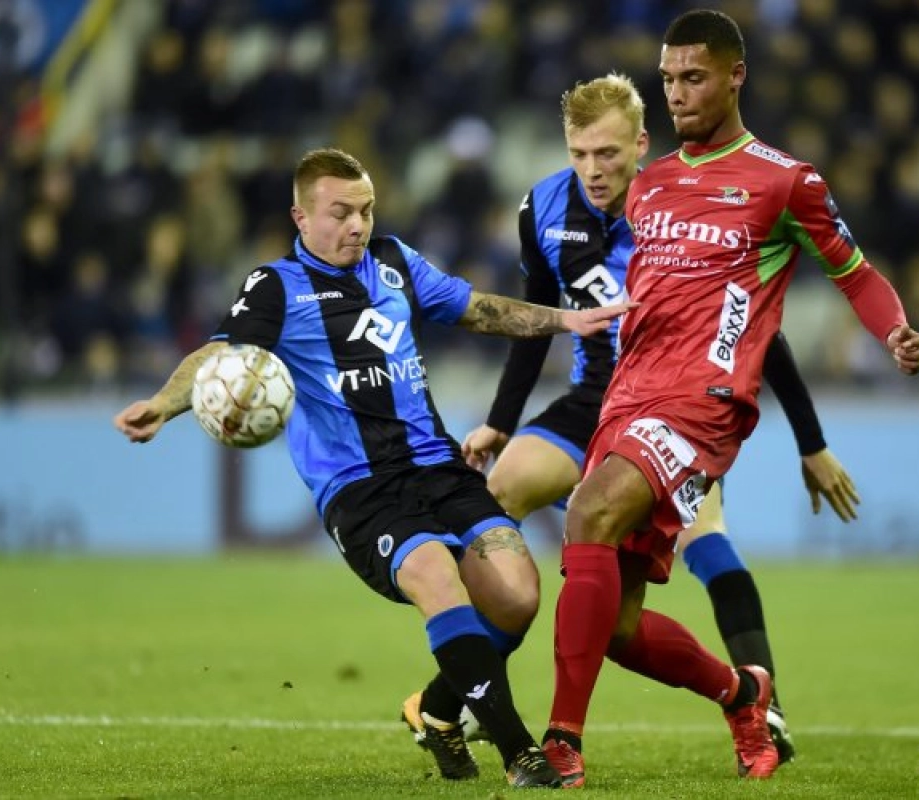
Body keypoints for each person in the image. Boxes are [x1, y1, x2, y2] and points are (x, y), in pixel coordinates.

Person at [112, 147, 634, 790]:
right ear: (301, 217)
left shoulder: (392, 260)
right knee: (438, 578)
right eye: (340, 213)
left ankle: (439, 715)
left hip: (439, 467)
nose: (356, 225)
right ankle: (521, 754)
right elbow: (217, 355)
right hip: (360, 490)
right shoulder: (274, 287)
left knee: (518, 597)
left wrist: (567, 319)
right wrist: (164, 405)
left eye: (365, 210)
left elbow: (477, 308)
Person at [403, 72, 860, 768]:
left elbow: (762, 332)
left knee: (705, 550)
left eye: (608, 154)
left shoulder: (683, 206)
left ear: (640, 145)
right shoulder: (542, 209)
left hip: (676, 406)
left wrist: (812, 442)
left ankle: (765, 703)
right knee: (495, 503)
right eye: (580, 154)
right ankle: (455, 696)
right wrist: (499, 422)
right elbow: (537, 314)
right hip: (592, 402)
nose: (593, 170)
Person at [538, 10, 919, 787]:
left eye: (694, 78)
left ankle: (560, 745)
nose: (678, 94)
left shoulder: (786, 181)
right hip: (628, 397)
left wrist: (896, 332)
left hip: (704, 402)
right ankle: (744, 693)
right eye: (670, 79)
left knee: (585, 514)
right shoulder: (648, 188)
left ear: (735, 75)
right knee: (615, 627)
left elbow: (854, 273)